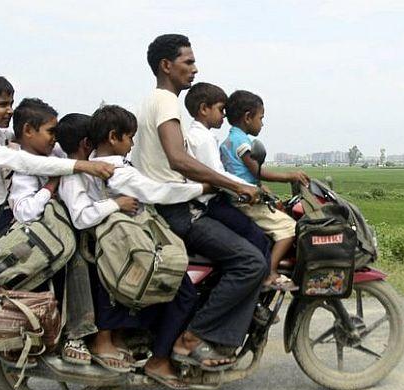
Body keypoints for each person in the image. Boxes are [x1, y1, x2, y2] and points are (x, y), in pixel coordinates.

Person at [130, 34, 268, 370]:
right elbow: (178, 159)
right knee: (251, 263)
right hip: (178, 212)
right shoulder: (165, 102)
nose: (195, 69)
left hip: (172, 205)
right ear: (167, 65)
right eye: (188, 62)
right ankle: (194, 337)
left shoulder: (152, 101)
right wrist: (233, 186)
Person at [58, 107, 204, 388]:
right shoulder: (110, 170)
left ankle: (137, 341)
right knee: (179, 290)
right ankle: (157, 358)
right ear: (112, 137)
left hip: (122, 242)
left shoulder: (98, 168)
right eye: (130, 137)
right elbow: (157, 191)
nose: (133, 144)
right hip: (120, 244)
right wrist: (205, 187)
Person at [0, 73, 114, 234]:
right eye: (3, 105)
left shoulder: (1, 134)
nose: (10, 110)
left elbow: (32, 141)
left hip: (11, 211)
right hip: (0, 217)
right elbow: (25, 161)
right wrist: (82, 165)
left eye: (11, 104)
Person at [7, 101, 97, 366]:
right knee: (77, 260)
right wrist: (51, 184)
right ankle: (76, 335)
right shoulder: (25, 166)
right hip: (45, 241)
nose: (55, 138)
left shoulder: (53, 152)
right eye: (51, 131)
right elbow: (24, 211)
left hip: (64, 231)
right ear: (28, 131)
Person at [221, 90, 310, 288]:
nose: (262, 123)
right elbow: (258, 171)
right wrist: (291, 175)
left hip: (239, 199)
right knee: (289, 228)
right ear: (247, 118)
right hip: (247, 202)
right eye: (261, 118)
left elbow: (245, 174)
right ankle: (270, 272)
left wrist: (264, 189)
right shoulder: (242, 141)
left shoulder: (229, 140)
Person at [184, 82, 271, 260]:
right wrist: (249, 188)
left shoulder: (198, 135)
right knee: (257, 237)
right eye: (220, 109)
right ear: (204, 109)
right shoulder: (204, 138)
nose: (224, 115)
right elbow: (217, 175)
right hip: (210, 203)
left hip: (206, 202)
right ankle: (266, 278)